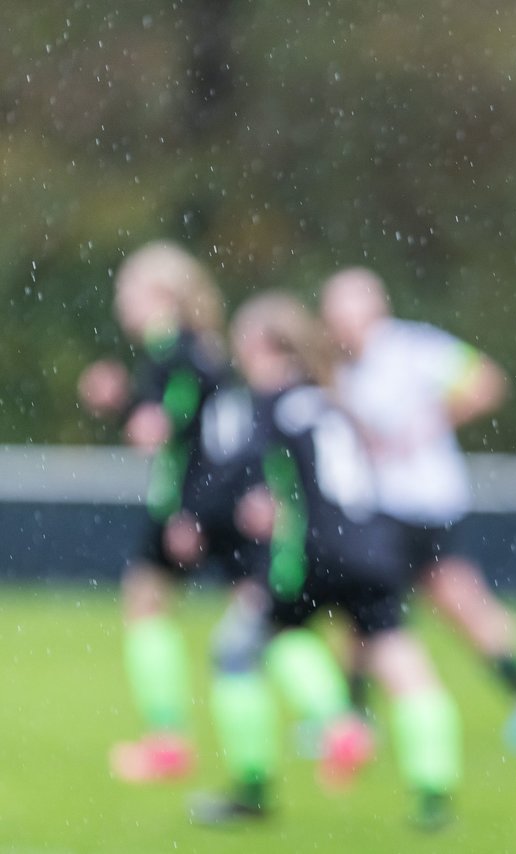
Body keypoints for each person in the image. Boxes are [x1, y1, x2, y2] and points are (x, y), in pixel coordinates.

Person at [192, 293, 460, 830]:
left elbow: (238, 470)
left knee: (238, 650)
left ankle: (272, 775)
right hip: (372, 546)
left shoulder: (273, 400)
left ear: (262, 346)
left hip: (313, 552)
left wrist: (215, 511)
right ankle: (433, 797)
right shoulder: (330, 399)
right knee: (403, 666)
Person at [320, 268, 516, 750]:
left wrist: (428, 424)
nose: (343, 324)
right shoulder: (338, 368)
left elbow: (486, 381)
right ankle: (356, 719)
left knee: (451, 607)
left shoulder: (411, 349)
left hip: (420, 507)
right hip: (379, 509)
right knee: (366, 615)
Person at [77, 241, 230, 782]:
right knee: (265, 615)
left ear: (161, 294)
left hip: (190, 505)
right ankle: (337, 729)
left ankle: (167, 743)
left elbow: (155, 433)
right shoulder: (202, 350)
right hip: (224, 501)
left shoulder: (174, 351)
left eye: (128, 290)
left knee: (145, 606)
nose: (122, 302)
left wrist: (117, 400)